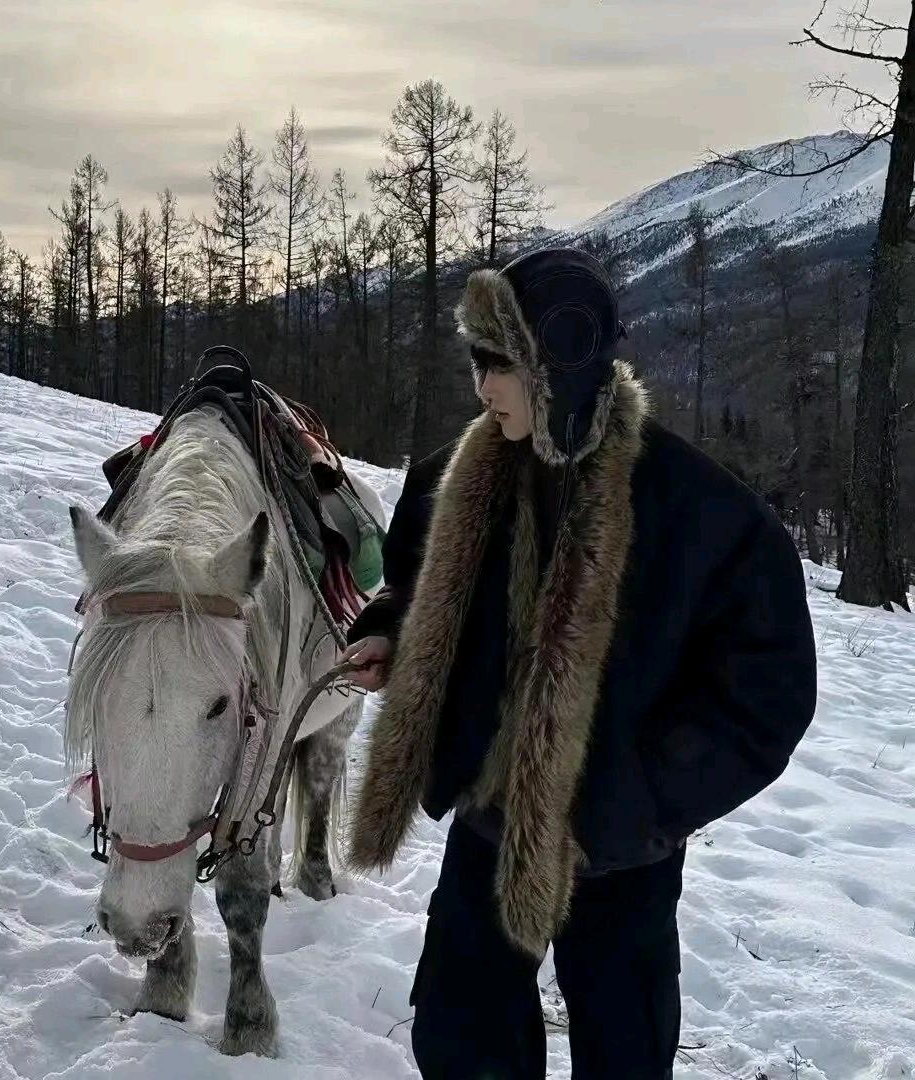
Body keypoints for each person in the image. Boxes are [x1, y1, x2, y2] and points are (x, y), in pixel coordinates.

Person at [342, 247, 817, 1080]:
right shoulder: (455, 481)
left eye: (498, 366)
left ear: (556, 363)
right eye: (478, 364)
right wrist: (388, 629)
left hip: (620, 847)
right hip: (490, 822)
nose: (482, 388)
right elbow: (415, 584)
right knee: (458, 1040)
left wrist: (642, 797)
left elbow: (769, 695)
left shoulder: (701, 511)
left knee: (624, 1057)